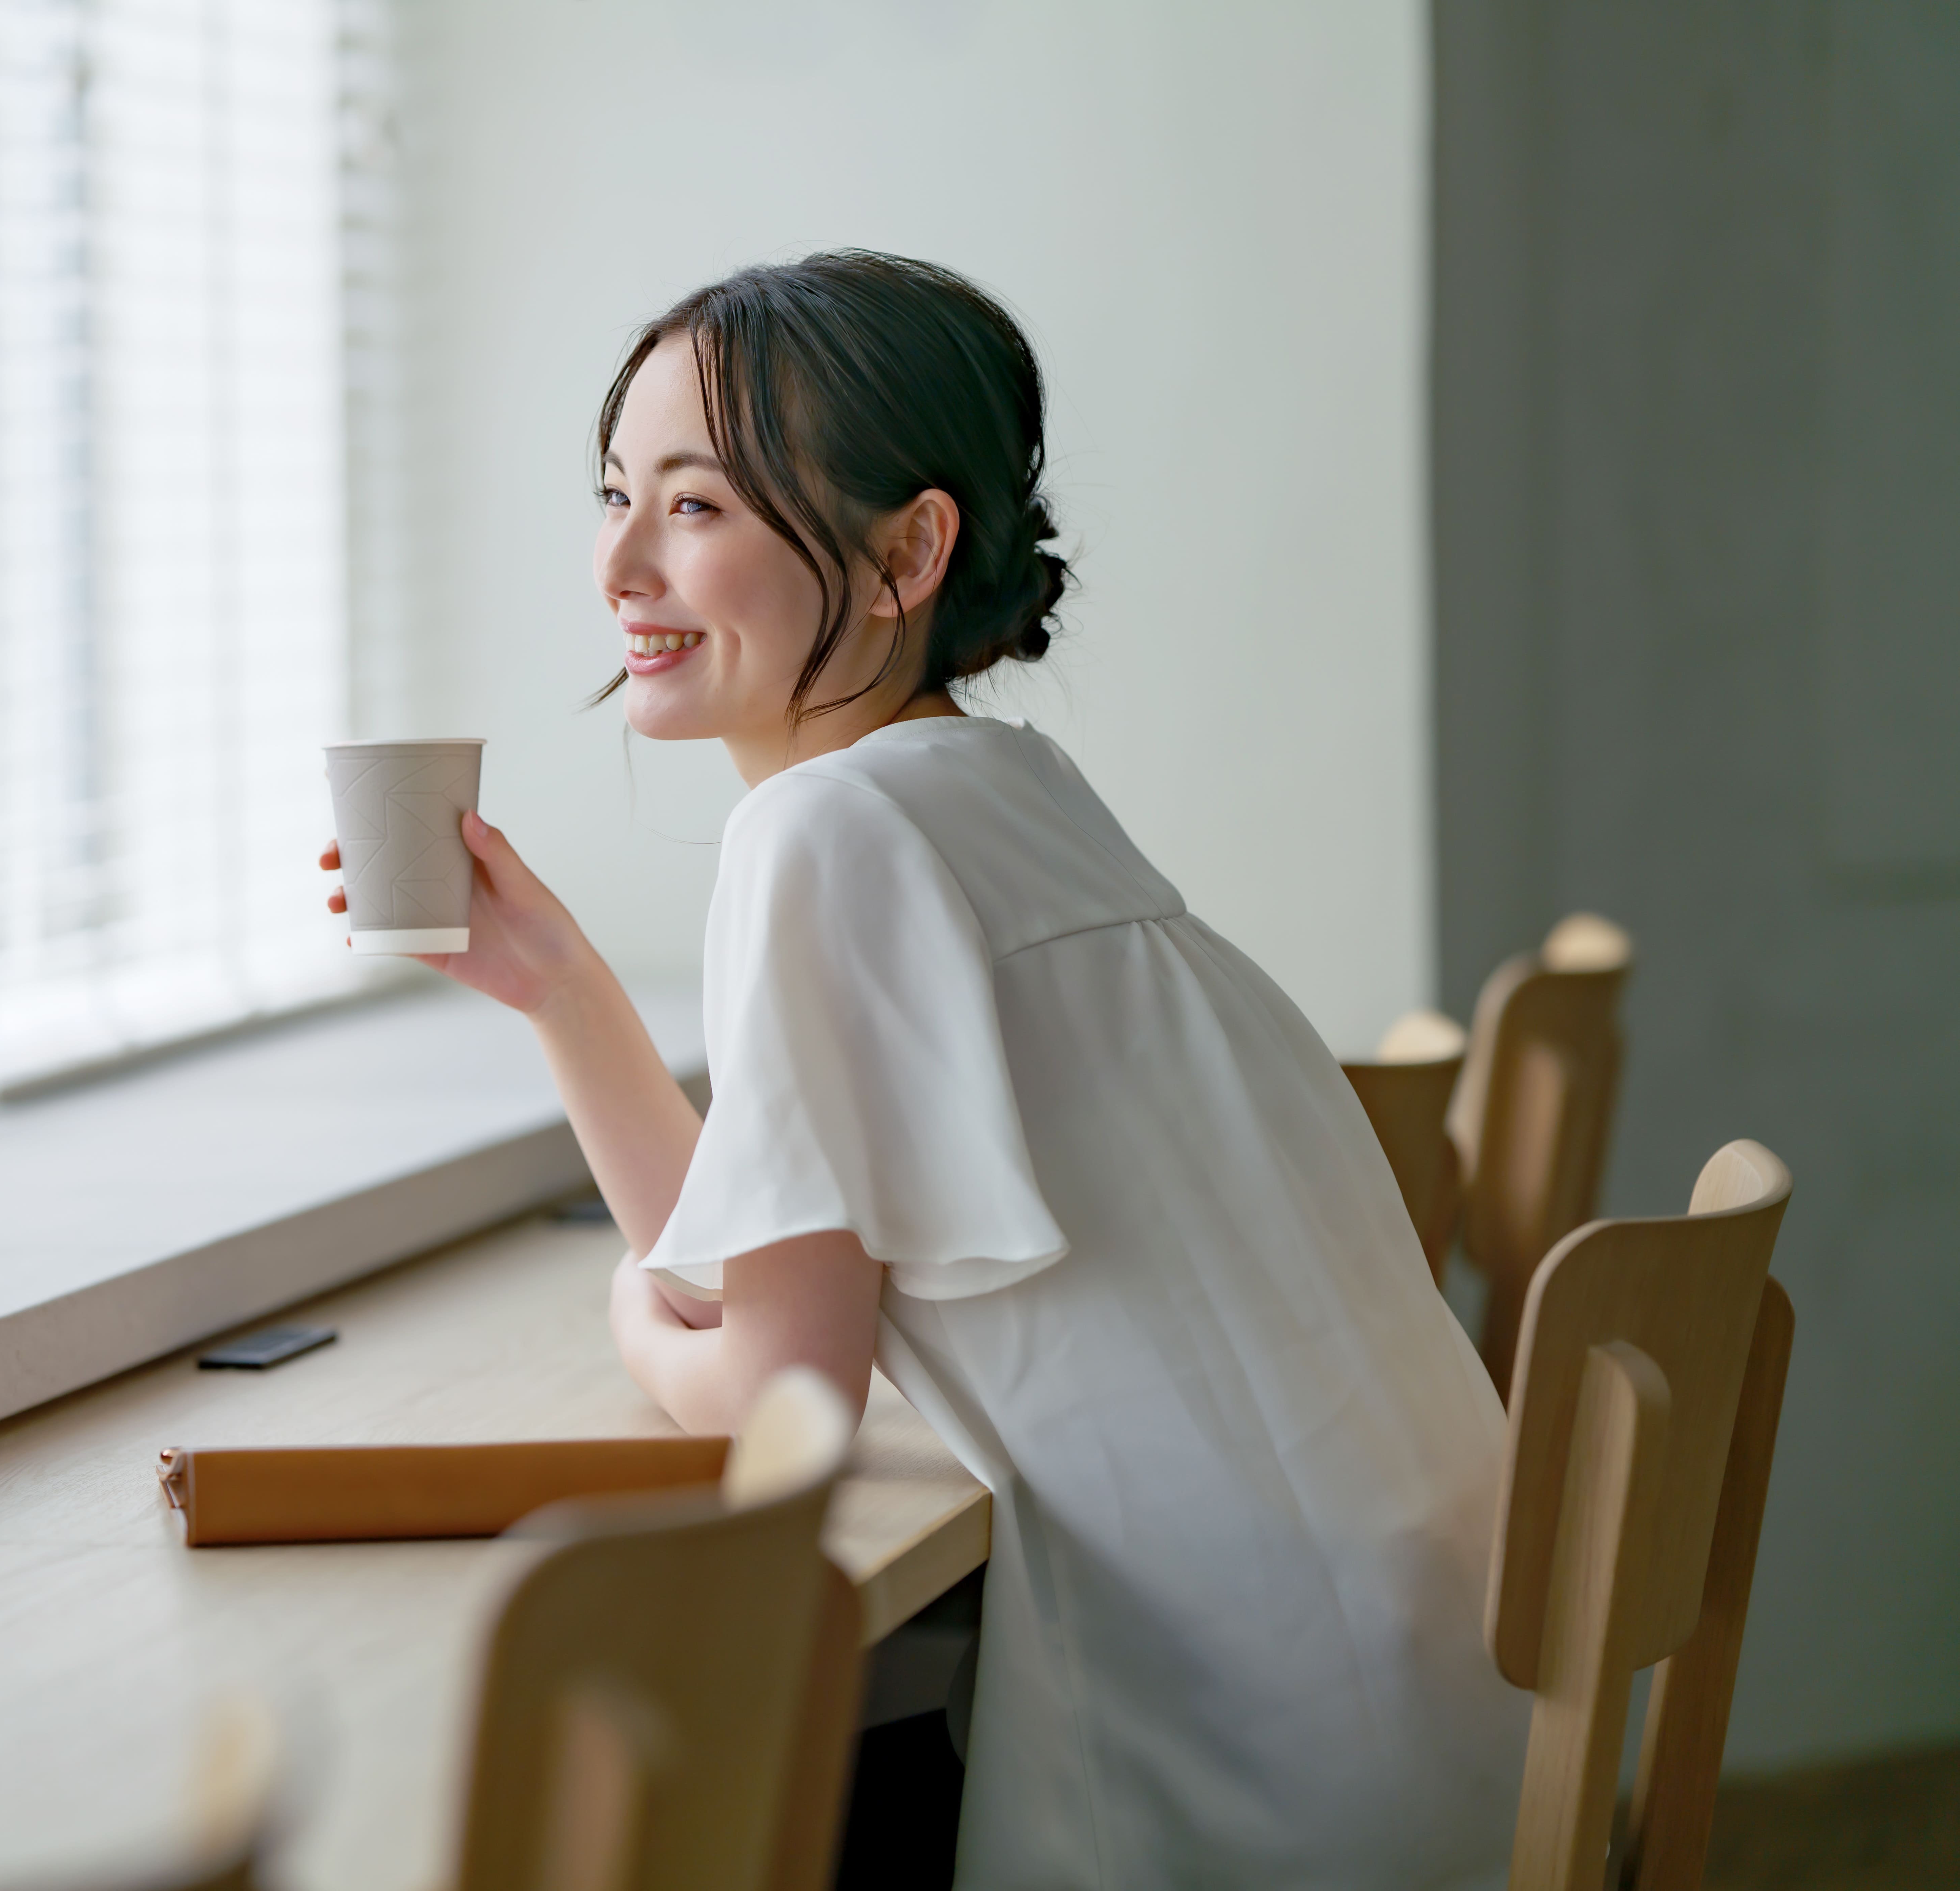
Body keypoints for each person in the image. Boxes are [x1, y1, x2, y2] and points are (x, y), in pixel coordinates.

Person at [319, 252, 1526, 1888]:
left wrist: (633, 1327)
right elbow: (774, 1252)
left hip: (1244, 1769)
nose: (618, 562)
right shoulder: (999, 790)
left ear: (907, 550)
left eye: (696, 508)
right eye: (616, 495)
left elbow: (784, 1398)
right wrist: (555, 986)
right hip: (1428, 1704)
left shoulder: (826, 830)